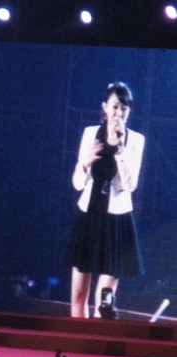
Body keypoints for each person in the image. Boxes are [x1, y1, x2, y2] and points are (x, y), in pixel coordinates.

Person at [66, 82, 145, 318]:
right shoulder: (91, 134)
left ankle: (98, 338)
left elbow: (129, 186)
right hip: (89, 216)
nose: (119, 113)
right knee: (79, 295)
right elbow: (77, 183)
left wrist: (120, 152)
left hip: (117, 220)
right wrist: (85, 163)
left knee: (104, 300)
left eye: (124, 108)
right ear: (105, 108)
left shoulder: (136, 140)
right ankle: (76, 339)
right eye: (115, 107)